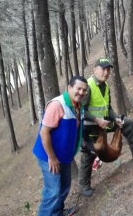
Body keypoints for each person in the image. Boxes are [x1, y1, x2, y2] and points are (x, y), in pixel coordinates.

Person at [78, 57, 133, 197]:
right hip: (90, 128)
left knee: (127, 123)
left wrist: (116, 118)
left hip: (104, 123)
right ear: (95, 70)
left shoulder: (105, 86)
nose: (106, 72)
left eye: (108, 70)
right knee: (89, 155)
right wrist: (96, 120)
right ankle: (84, 186)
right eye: (103, 69)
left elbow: (108, 108)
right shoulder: (87, 86)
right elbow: (82, 111)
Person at [32, 76, 88, 216]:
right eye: (78, 88)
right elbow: (44, 132)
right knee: (53, 192)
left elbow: (74, 130)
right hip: (49, 156)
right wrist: (52, 158)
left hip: (64, 156)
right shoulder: (58, 104)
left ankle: (57, 213)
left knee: (64, 187)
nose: (81, 92)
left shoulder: (78, 106)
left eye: (84, 90)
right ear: (69, 88)